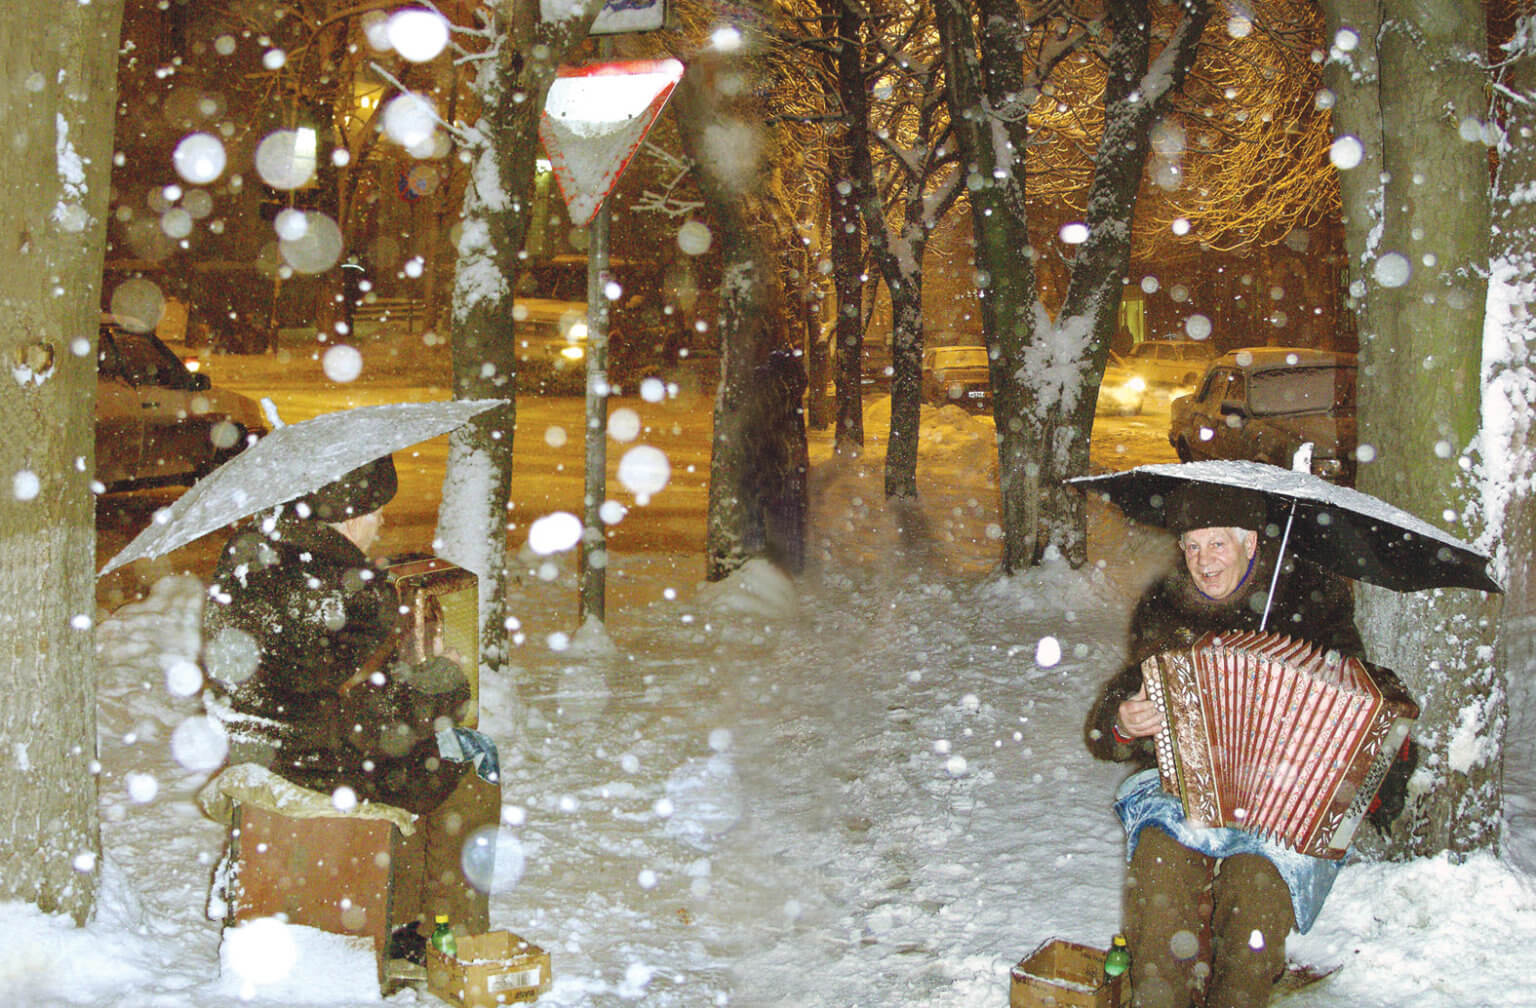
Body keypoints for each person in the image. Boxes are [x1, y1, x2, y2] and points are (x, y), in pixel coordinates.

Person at [1084, 484, 1407, 1008]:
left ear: (1251, 542)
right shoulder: (1165, 607)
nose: (1202, 561)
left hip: (1286, 804)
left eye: (1217, 544)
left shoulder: (1310, 597)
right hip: (1185, 791)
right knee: (1160, 866)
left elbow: (1364, 699)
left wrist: (1366, 766)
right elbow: (1110, 723)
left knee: (1256, 887)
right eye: (1191, 546)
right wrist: (1123, 721)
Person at [201, 454, 498, 946]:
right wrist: (442, 680)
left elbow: (311, 685)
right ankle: (443, 935)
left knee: (429, 755)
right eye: (377, 511)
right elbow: (375, 727)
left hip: (252, 744)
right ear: (352, 515)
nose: (380, 523)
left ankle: (404, 915)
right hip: (316, 764)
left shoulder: (247, 557)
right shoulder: (349, 590)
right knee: (470, 758)